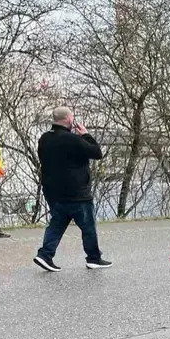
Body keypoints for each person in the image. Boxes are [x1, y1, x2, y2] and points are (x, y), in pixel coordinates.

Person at [34, 107, 109, 271]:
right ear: (69, 119)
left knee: (57, 224)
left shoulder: (44, 139)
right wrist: (86, 135)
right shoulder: (72, 139)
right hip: (77, 193)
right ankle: (94, 258)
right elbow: (97, 152)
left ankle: (45, 254)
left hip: (54, 193)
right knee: (88, 227)